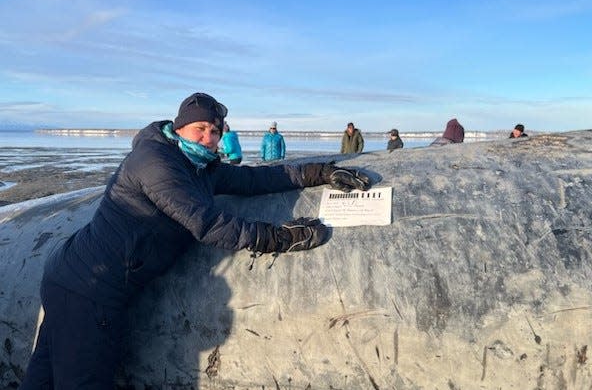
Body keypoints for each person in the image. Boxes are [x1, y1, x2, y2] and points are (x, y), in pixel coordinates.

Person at [20, 92, 372, 389]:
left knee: (43, 380)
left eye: (215, 131)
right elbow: (206, 223)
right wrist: (279, 238)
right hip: (91, 289)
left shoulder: (199, 167)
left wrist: (319, 172)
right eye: (200, 128)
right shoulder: (155, 162)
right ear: (179, 128)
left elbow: (251, 181)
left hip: (72, 278)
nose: (208, 137)